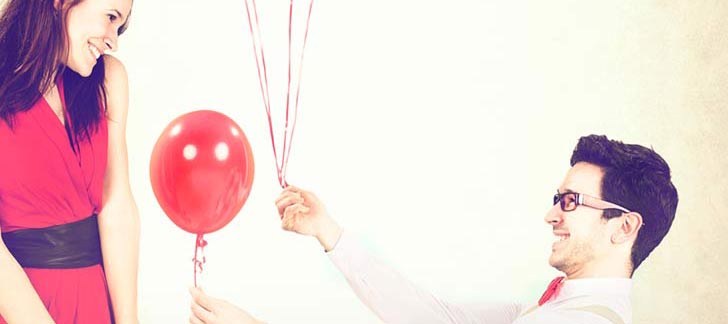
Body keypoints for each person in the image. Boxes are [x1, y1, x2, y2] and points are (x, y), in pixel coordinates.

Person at [188, 135, 678, 324]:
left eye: (570, 202)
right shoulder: (558, 306)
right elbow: (435, 316)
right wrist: (328, 231)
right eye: (556, 200)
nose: (551, 215)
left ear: (624, 227)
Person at [0, 0, 139, 323]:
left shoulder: (109, 80)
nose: (113, 39)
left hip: (93, 300)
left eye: (119, 27)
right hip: (18, 305)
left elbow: (116, 206)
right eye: (110, 17)